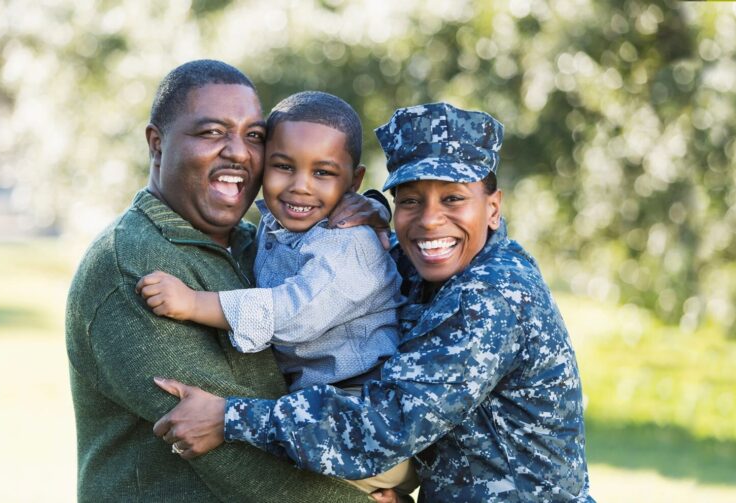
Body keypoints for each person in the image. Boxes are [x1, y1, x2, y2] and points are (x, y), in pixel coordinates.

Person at [152, 102, 593, 501]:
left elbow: (385, 427)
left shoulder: (489, 296)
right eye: (411, 201)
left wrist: (230, 417)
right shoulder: (423, 262)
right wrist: (373, 211)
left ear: (493, 208)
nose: (430, 220)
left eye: (454, 199)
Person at [65, 60, 385, 502]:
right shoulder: (133, 264)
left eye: (253, 136)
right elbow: (236, 456)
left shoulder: (259, 245)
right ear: (157, 144)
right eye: (212, 132)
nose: (239, 152)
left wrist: (374, 212)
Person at [135, 90, 417, 497]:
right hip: (315, 411)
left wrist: (196, 303)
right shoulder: (274, 226)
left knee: (265, 469)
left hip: (361, 418)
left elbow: (291, 313)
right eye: (283, 167)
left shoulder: (349, 245)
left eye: (322, 173)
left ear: (353, 182)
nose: (299, 187)